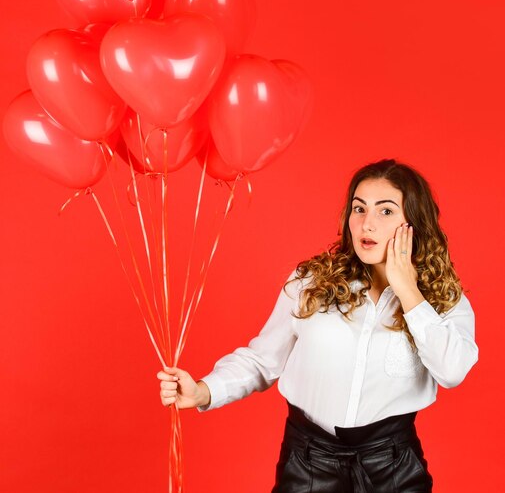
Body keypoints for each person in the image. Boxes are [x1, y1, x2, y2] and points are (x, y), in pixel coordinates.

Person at [157, 159, 478, 492]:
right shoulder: (311, 283)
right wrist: (203, 390)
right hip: (309, 461)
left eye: (385, 212)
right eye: (359, 209)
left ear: (413, 222)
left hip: (393, 465)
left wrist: (408, 291)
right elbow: (263, 359)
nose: (367, 224)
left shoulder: (442, 299)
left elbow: (452, 371)